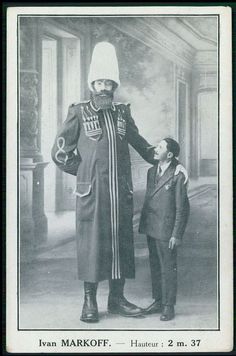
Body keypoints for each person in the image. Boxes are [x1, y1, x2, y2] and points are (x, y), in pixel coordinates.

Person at [51, 42, 188, 323]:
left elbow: (143, 147)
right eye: (100, 82)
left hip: (121, 194)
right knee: (92, 245)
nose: (104, 87)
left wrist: (173, 163)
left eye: (109, 83)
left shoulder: (123, 112)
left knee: (121, 245)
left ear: (114, 86)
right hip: (93, 195)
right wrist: (85, 172)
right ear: (92, 84)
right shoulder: (79, 112)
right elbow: (59, 153)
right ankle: (89, 301)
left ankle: (117, 300)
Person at [139, 138, 190, 321]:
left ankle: (169, 306)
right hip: (152, 226)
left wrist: (176, 234)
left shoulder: (178, 173)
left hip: (167, 230)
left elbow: (182, 208)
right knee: (155, 266)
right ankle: (159, 301)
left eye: (160, 147)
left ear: (169, 154)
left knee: (168, 267)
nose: (155, 148)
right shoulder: (151, 171)